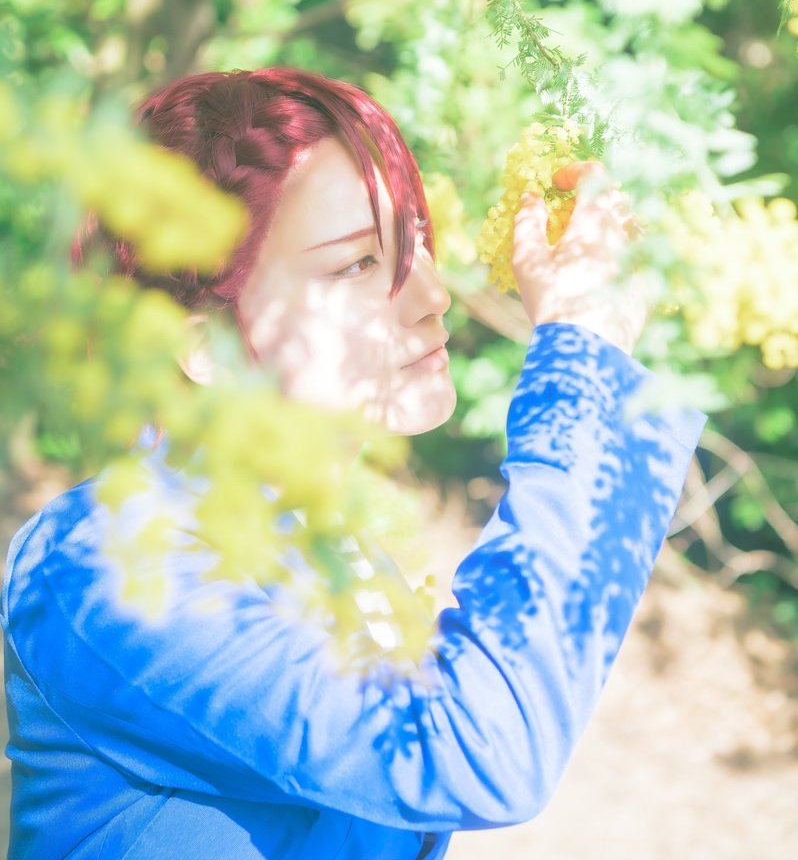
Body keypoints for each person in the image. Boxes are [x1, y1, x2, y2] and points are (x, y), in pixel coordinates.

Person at [1, 68, 705, 859]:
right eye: (357, 264)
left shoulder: (337, 554)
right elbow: (470, 750)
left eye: (416, 242)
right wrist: (580, 364)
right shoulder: (102, 566)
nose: (430, 294)